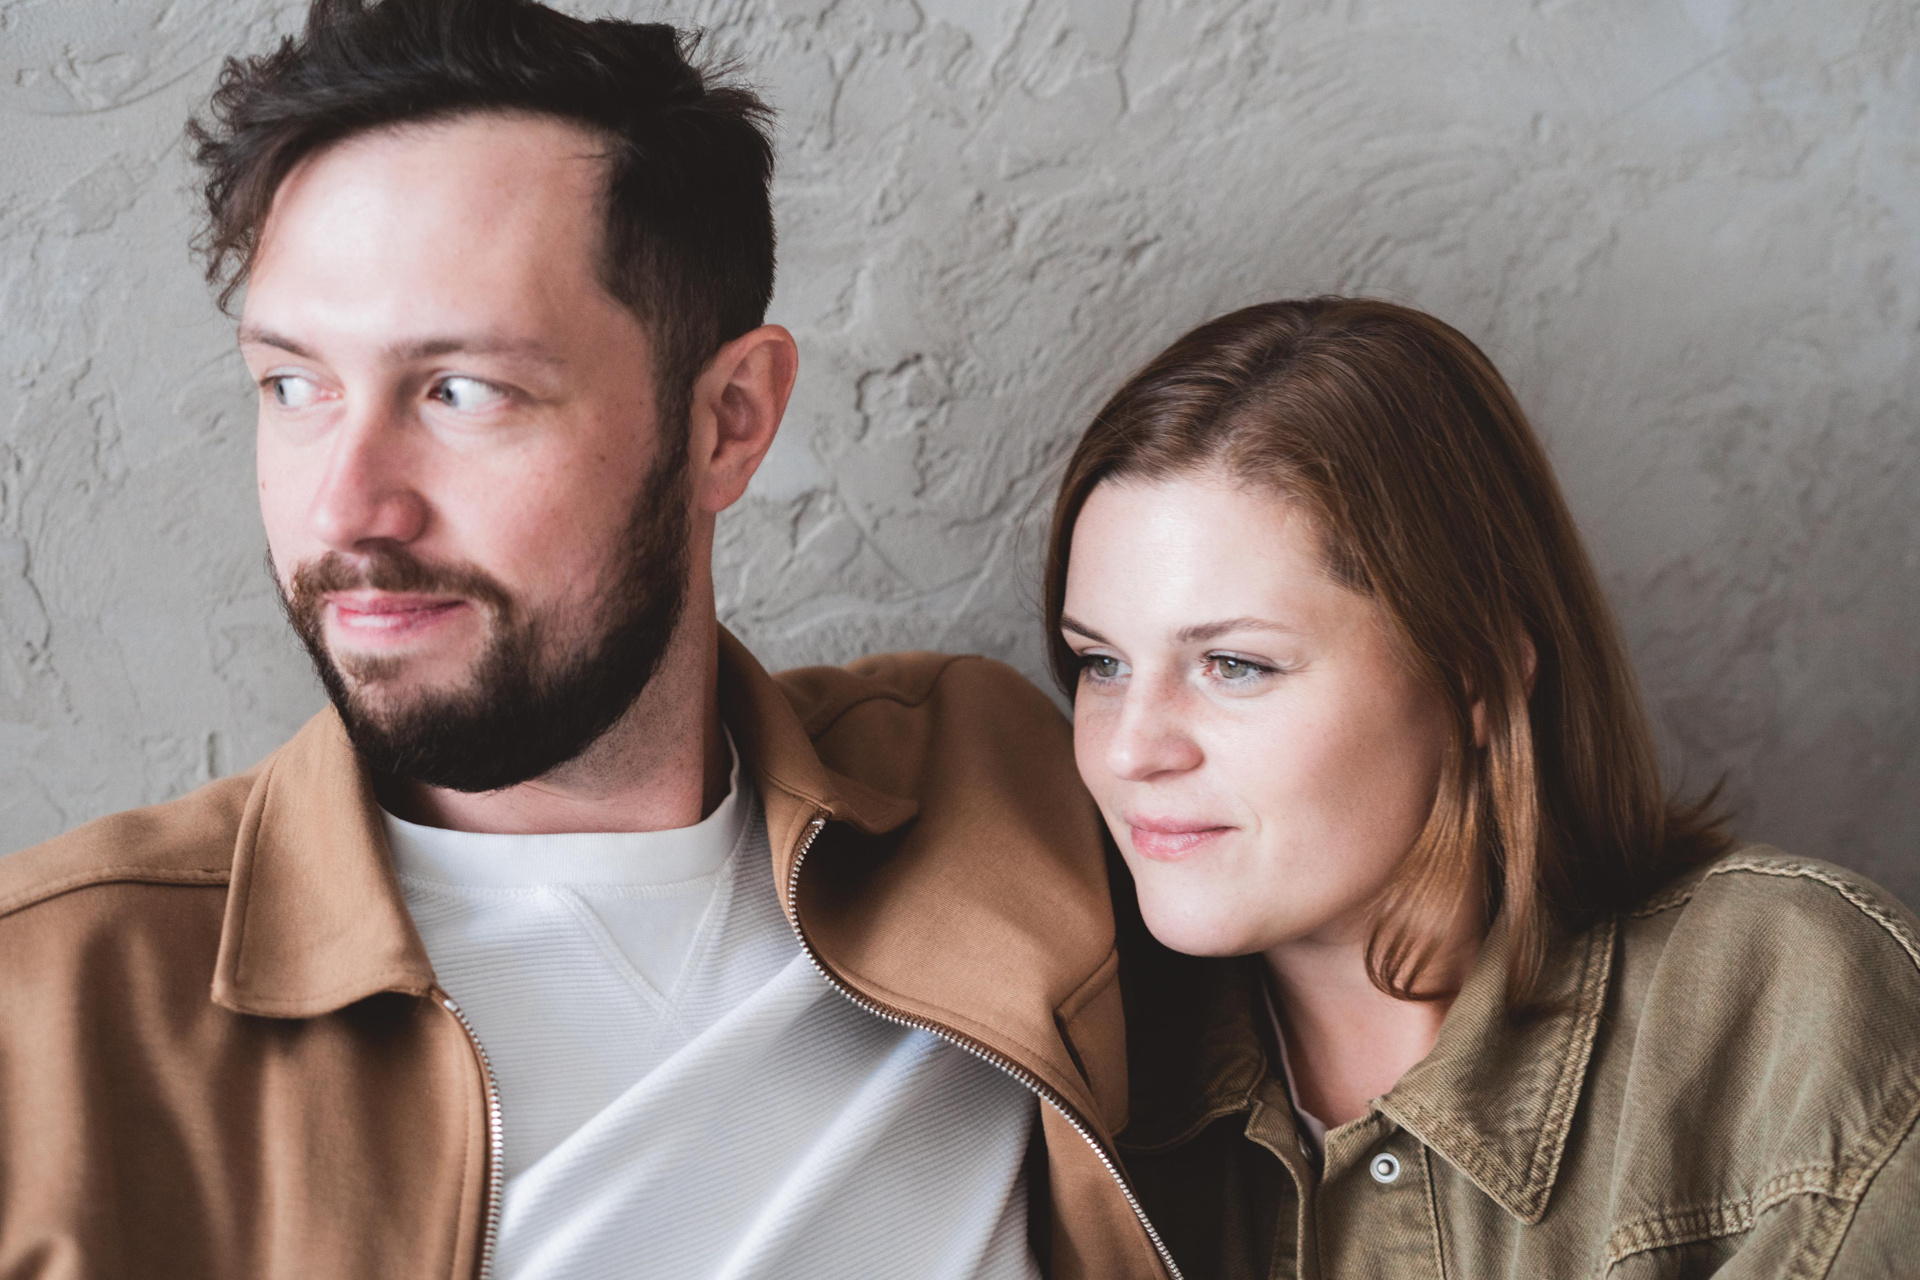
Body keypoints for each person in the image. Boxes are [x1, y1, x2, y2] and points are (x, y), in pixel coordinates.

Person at [0, 2, 1177, 1276]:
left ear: (728, 420)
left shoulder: (983, 788)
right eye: (295, 385)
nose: (345, 509)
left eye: (462, 390)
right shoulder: (51, 1010)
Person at [1044, 297, 1920, 1278]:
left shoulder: (1788, 1012)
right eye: (1101, 663)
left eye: (1235, 665)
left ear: (1475, 677)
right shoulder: (1066, 1088)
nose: (1130, 750)